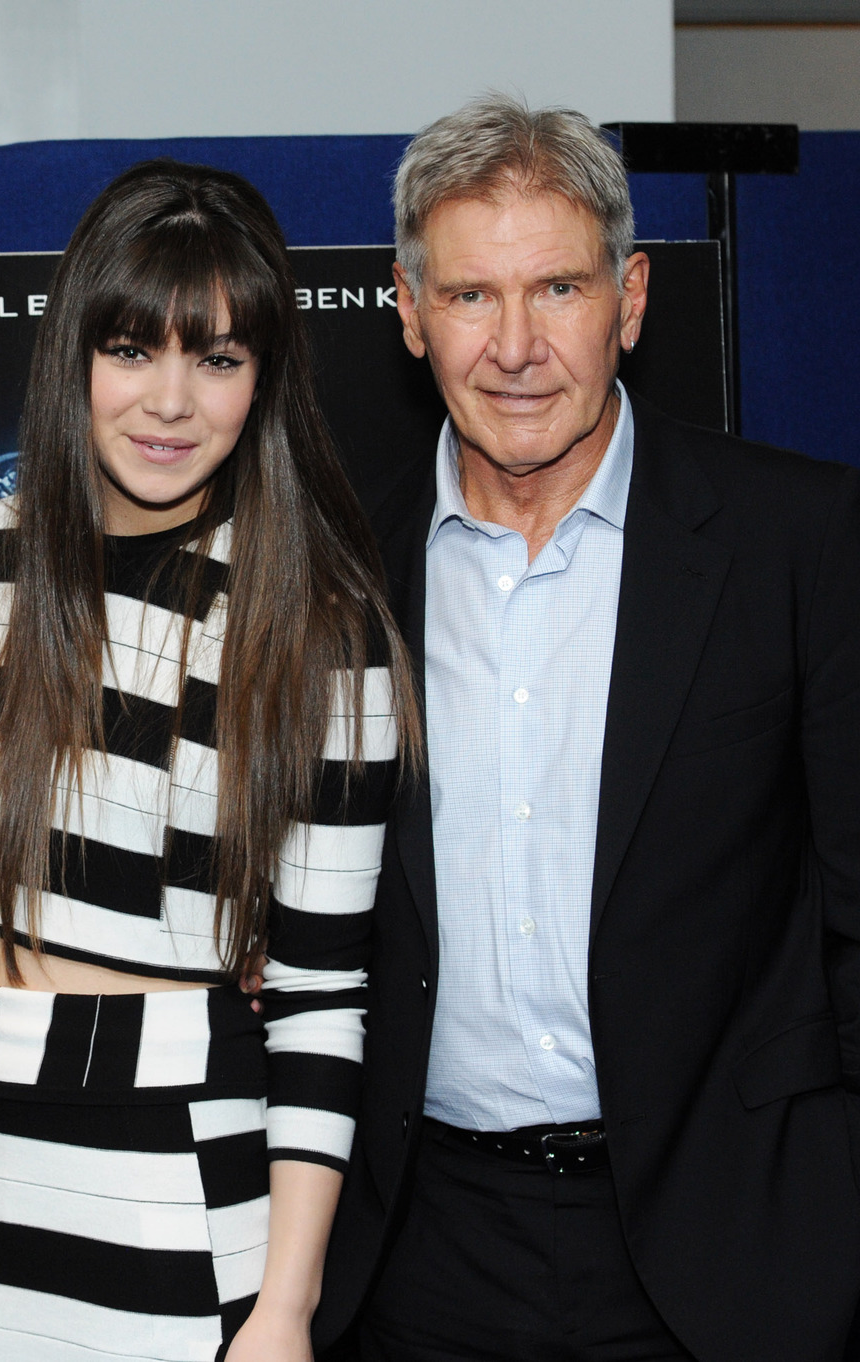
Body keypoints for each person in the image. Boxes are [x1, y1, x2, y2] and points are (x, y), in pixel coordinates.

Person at [311, 95, 860, 1362]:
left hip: (732, 1253)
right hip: (418, 1258)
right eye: (467, 297)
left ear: (629, 298)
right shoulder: (338, 570)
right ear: (406, 312)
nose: (514, 347)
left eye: (555, 288)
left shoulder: (797, 541)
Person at [0, 159, 410, 1362]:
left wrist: (285, 1308)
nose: (170, 401)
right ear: (75, 356)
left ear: (262, 379)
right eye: (130, 350)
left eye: (216, 359)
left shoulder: (320, 628)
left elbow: (320, 1000)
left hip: (173, 1174)